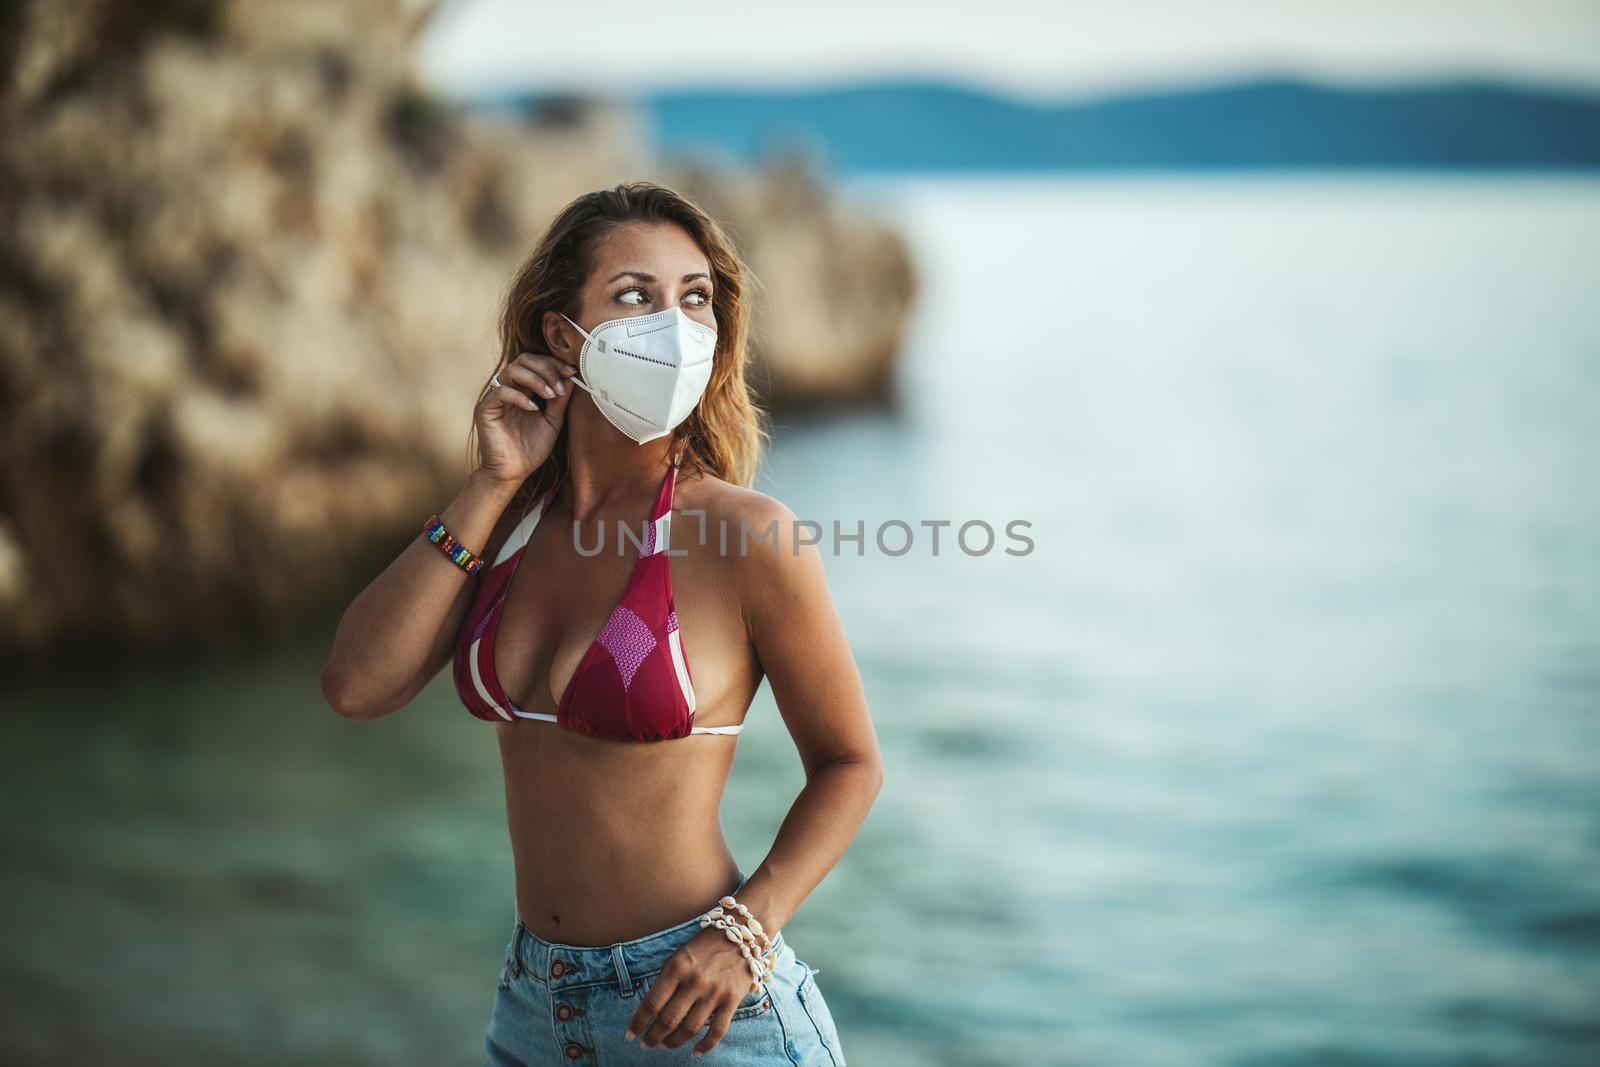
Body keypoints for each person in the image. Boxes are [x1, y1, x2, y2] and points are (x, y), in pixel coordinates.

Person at [320, 180, 882, 1065]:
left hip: (707, 1012)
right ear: (561, 335)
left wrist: (747, 929)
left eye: (694, 297)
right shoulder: (509, 524)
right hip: (534, 1014)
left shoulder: (743, 533)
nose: (673, 325)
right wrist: (494, 480)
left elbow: (850, 764)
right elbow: (357, 685)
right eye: (635, 295)